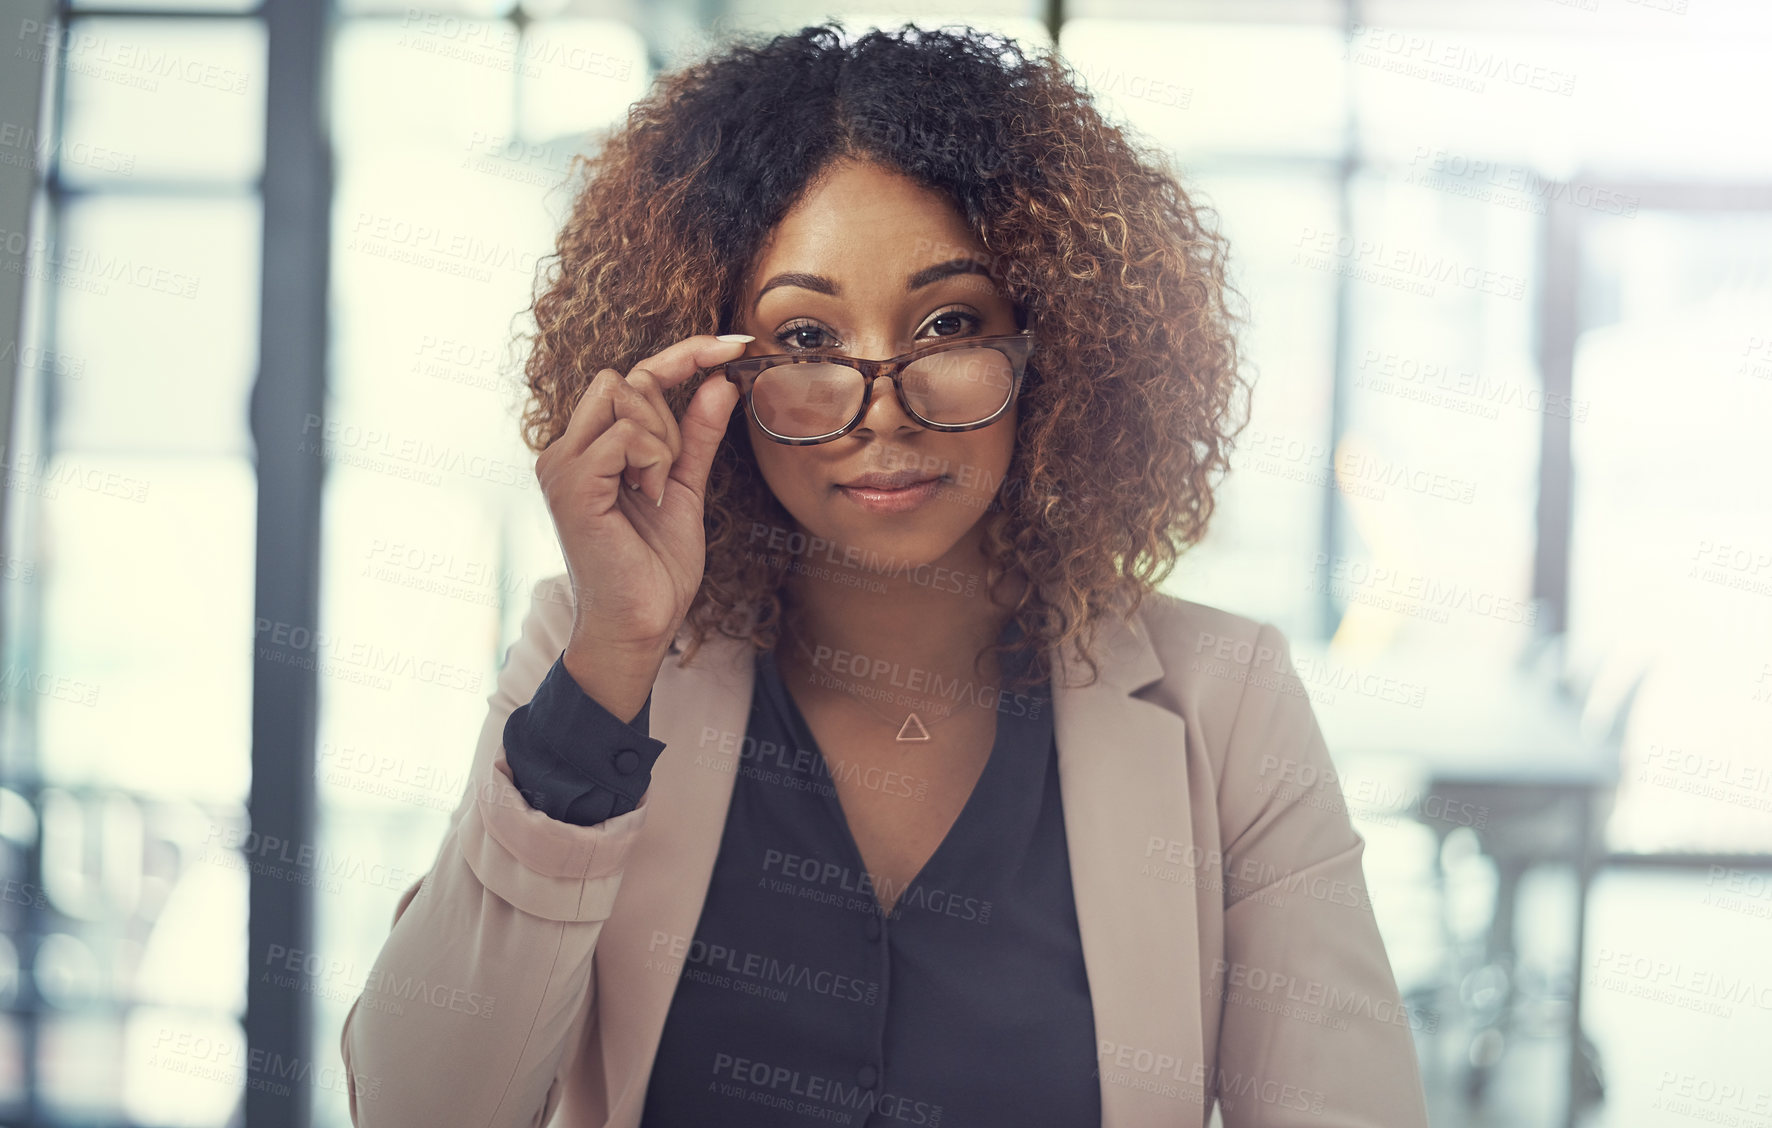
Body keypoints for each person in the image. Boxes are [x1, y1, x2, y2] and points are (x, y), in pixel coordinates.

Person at [340, 22, 1429, 1128]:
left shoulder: (1225, 703)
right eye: (805, 341)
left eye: (949, 324)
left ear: (1050, 340)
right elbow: (417, 1106)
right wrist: (607, 669)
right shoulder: (595, 660)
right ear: (707, 371)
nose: (884, 409)